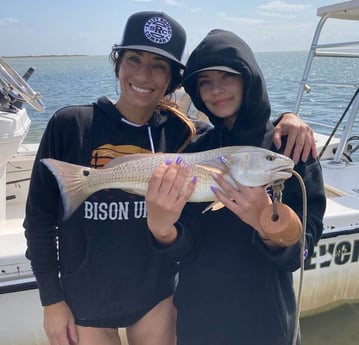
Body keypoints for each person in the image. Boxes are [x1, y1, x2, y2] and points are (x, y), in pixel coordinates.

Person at [24, 10, 317, 345]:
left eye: (159, 66)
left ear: (172, 81)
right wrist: (51, 297)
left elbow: (240, 145)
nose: (144, 74)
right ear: (117, 62)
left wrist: (289, 119)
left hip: (159, 297)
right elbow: (39, 220)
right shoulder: (71, 125)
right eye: (133, 59)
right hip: (87, 298)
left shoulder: (185, 133)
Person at [146, 29, 326, 345]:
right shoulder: (195, 151)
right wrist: (163, 229)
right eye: (204, 82)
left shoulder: (290, 151)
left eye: (226, 76)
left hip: (266, 325)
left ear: (248, 77)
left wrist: (267, 221)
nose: (215, 89)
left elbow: (302, 253)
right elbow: (186, 245)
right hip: (198, 322)